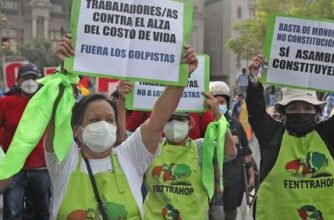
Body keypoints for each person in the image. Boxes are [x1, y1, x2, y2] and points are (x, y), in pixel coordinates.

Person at [45, 34, 199, 219]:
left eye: (110, 120)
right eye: (94, 120)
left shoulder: (129, 157)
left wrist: (183, 76)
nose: (103, 124)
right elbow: (56, 116)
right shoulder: (64, 161)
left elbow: (158, 118)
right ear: (77, 131)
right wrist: (64, 69)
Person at [246, 53, 334, 219]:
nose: (301, 113)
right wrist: (253, 79)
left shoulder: (328, 134)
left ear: (316, 112)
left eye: (307, 108)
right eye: (293, 108)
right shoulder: (272, 135)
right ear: (283, 114)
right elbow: (256, 111)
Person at [143, 92, 236, 219]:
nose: (174, 124)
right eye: (169, 120)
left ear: (190, 124)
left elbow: (230, 152)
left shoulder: (201, 148)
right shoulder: (151, 146)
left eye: (180, 120)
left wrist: (218, 116)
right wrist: (121, 104)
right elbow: (122, 140)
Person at [0, 63, 51, 220]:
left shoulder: (47, 103)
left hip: (41, 169)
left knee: (41, 213)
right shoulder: (6, 103)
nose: (30, 81)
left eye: (34, 78)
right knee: (12, 213)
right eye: (26, 77)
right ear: (18, 80)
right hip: (14, 170)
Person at [209, 81, 255, 220]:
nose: (218, 105)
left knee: (231, 212)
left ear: (227, 103)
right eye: (215, 101)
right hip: (212, 180)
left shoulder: (236, 124)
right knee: (215, 214)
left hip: (234, 179)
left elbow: (246, 153)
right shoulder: (206, 124)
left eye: (221, 101)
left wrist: (251, 176)